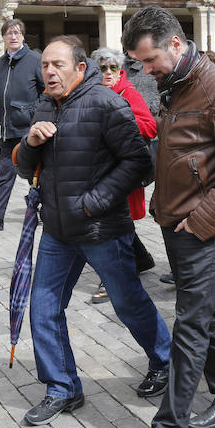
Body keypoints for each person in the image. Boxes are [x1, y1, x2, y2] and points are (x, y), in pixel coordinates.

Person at [122, 6, 215, 428]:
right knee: (205, 314)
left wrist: (202, 218)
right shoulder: (174, 84)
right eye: (140, 62)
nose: (146, 69)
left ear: (175, 44)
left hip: (206, 227)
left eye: (150, 59)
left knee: (191, 323)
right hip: (176, 222)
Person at [14, 35, 172, 426]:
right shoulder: (43, 106)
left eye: (58, 65)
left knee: (129, 303)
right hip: (57, 232)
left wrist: (93, 202)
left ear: (80, 68)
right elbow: (24, 168)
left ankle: (166, 361)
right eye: (45, 65)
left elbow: (139, 164)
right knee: (44, 309)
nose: (49, 71)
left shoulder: (105, 102)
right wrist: (31, 142)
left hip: (102, 229)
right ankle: (62, 388)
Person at [89, 47, 158, 304]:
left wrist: (121, 117)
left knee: (111, 225)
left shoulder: (129, 93)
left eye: (113, 68)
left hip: (123, 172)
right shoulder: (91, 93)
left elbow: (150, 126)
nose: (108, 72)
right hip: (97, 172)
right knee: (114, 222)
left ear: (121, 71)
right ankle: (141, 258)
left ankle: (112, 278)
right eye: (102, 67)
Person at [0, 18, 44, 231]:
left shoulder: (34, 59)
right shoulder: (2, 62)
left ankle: (47, 212)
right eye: (9, 33)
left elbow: (46, 91)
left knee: (36, 175)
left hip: (27, 129)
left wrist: (30, 111)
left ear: (23, 36)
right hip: (7, 129)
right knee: (4, 175)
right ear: (3, 37)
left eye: (17, 32)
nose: (13, 36)